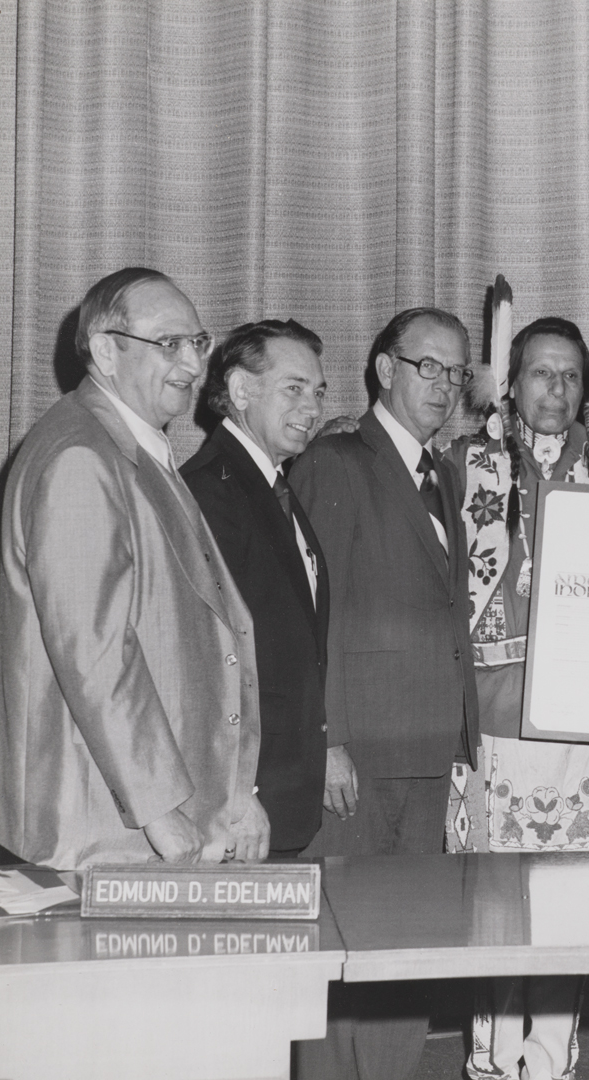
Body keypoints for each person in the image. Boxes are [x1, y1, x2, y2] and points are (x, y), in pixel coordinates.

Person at [0, 267, 266, 870]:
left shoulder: (130, 446)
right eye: (168, 344)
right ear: (104, 351)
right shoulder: (80, 457)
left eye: (198, 342)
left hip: (144, 815)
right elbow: (95, 652)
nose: (194, 365)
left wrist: (234, 794)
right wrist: (157, 806)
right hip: (102, 828)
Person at [290, 307, 479, 1080]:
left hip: (427, 745)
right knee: (339, 951)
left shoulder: (443, 471)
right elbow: (313, 610)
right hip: (359, 749)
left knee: (408, 955)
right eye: (426, 366)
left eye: (456, 372)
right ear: (385, 370)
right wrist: (327, 736)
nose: (442, 385)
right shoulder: (337, 461)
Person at [448, 316, 589, 1080]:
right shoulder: (465, 462)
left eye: (569, 375)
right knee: (493, 899)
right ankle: (491, 1059)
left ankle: (552, 1056)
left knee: (571, 899)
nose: (555, 389)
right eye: (539, 373)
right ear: (510, 382)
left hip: (583, 717)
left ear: (584, 386)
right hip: (492, 714)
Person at [182, 319, 330, 857]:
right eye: (294, 388)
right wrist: (235, 792)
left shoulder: (271, 487)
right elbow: (204, 666)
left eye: (317, 392)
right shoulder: (211, 492)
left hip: (279, 792)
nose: (312, 408)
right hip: (241, 808)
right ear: (240, 390)